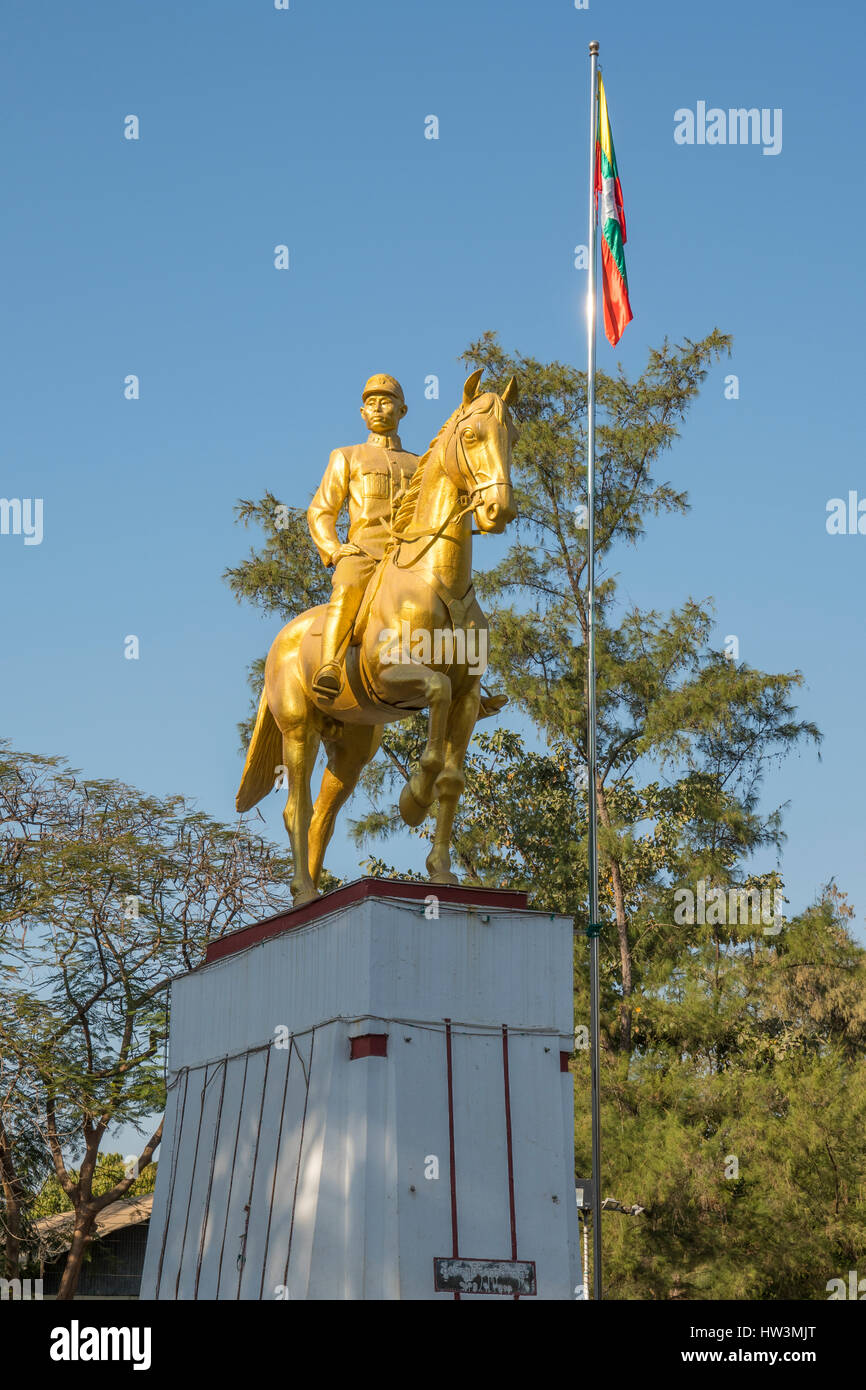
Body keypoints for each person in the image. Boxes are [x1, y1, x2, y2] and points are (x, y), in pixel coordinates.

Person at [307, 374, 419, 699]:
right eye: (371, 403)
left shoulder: (420, 463)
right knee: (347, 586)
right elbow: (320, 511)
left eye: (386, 402)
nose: (378, 408)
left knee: (453, 595)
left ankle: (469, 680)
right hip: (365, 554)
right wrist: (334, 549)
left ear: (403, 410)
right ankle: (330, 664)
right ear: (362, 412)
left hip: (410, 559)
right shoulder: (347, 456)